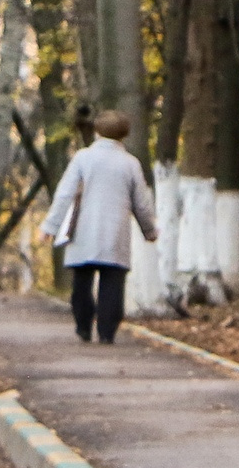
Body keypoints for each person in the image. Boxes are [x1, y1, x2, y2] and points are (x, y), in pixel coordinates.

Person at [43, 110, 157, 343]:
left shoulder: (83, 158)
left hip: (84, 231)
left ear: (96, 131)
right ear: (124, 135)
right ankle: (107, 333)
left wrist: (50, 226)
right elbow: (141, 202)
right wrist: (150, 230)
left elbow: (65, 194)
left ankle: (83, 326)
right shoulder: (130, 164)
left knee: (81, 283)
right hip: (115, 233)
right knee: (112, 284)